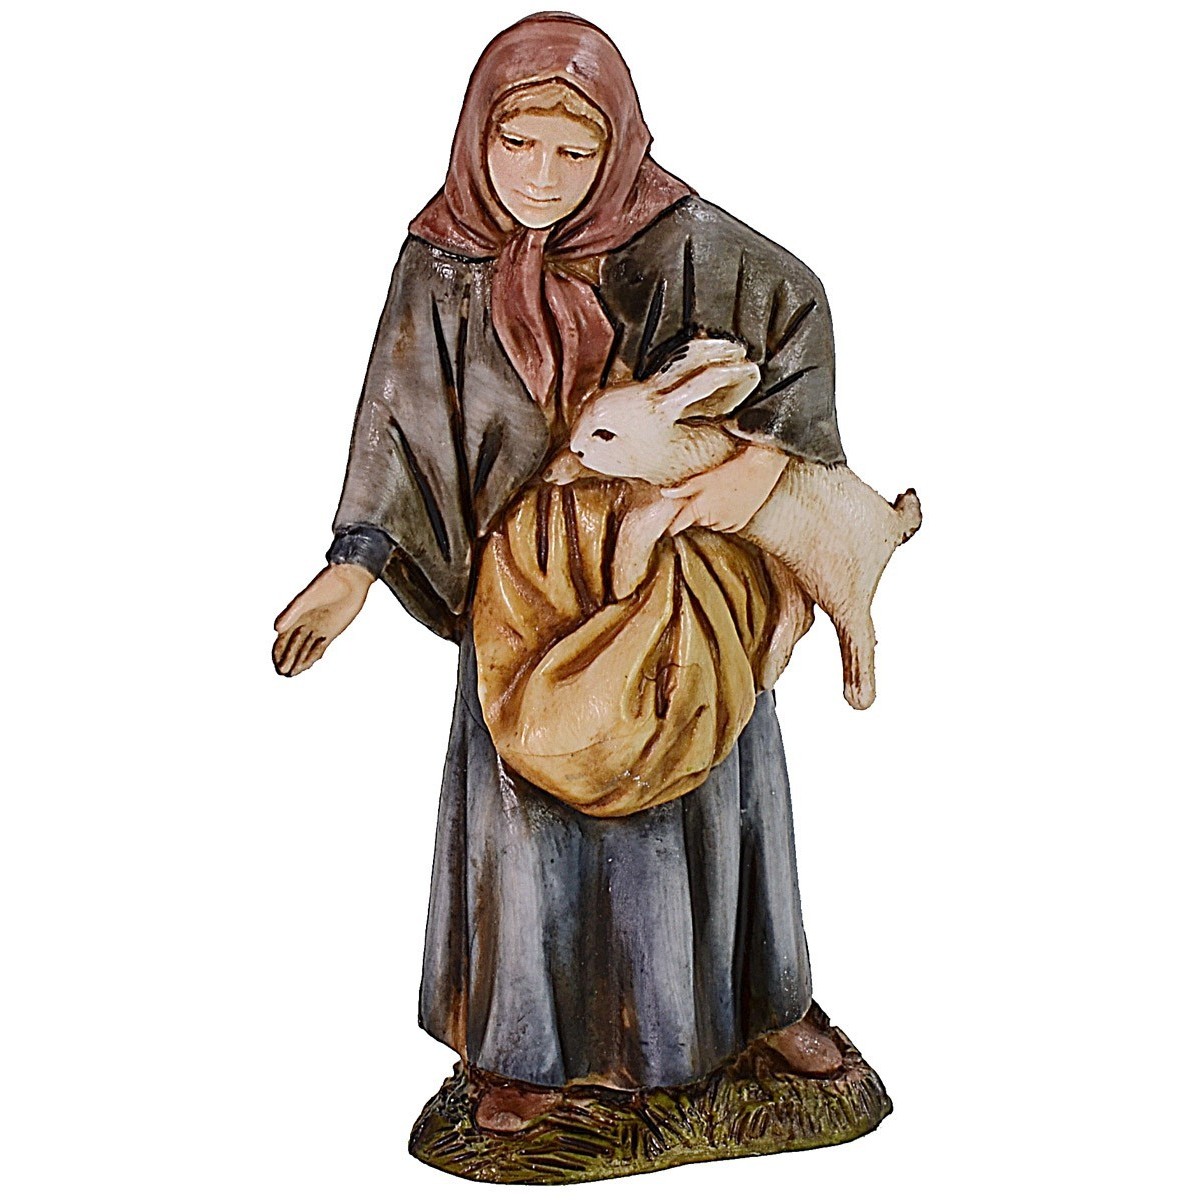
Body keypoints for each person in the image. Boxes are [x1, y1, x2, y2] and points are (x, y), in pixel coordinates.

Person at [273, 12, 848, 1133]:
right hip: (527, 593)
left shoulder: (688, 242)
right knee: (532, 798)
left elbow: (797, 311)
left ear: (618, 144)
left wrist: (759, 466)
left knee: (703, 779)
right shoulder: (443, 259)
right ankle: (526, 1049)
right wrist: (357, 563)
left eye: (575, 151)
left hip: (674, 573)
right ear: (476, 138)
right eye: (517, 144)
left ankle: (754, 1005)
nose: (541, 177)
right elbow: (397, 418)